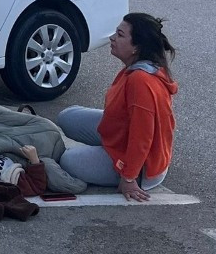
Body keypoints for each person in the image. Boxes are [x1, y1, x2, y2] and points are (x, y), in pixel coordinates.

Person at [56, 12, 178, 201]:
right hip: (124, 137)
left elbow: (142, 136)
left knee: (68, 160)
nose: (112, 38)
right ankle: (105, 150)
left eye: (120, 35)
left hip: (141, 168)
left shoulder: (140, 81)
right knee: (67, 116)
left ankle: (119, 165)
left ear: (136, 47)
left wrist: (129, 177)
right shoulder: (139, 69)